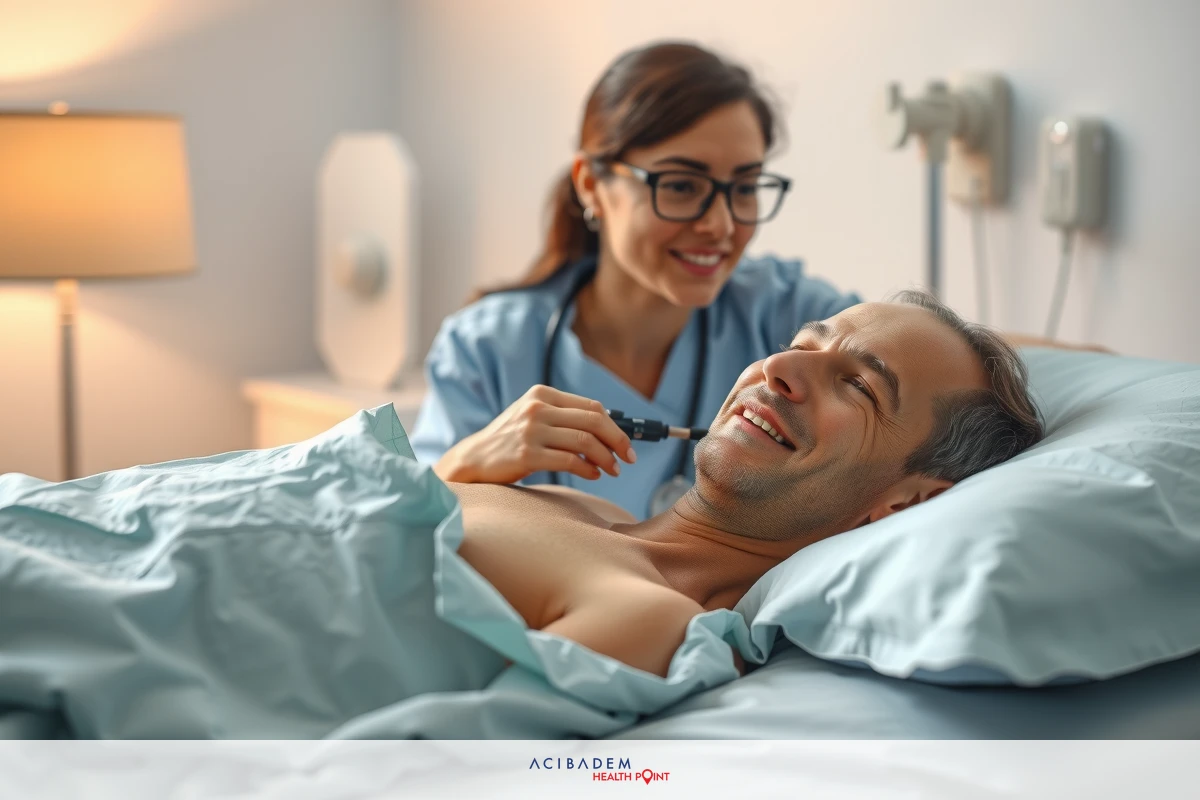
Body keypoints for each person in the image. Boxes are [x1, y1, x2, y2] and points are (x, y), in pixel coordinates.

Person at [451, 291, 1043, 676]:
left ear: (909, 500)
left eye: (859, 386)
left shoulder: (651, 621)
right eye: (801, 345)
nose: (778, 370)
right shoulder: (571, 502)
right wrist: (454, 469)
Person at [410, 41, 863, 521]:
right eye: (682, 186)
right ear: (590, 184)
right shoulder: (485, 351)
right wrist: (461, 469)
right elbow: (394, 540)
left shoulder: (788, 318)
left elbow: (926, 387)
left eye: (745, 188)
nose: (721, 226)